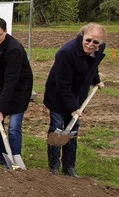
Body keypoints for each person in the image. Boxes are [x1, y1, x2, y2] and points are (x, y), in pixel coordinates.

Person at [44, 23, 106, 178]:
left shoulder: (97, 50)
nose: (91, 44)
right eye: (88, 40)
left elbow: (93, 66)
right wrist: (73, 108)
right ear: (82, 36)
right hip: (58, 96)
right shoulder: (65, 53)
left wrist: (96, 80)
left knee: (72, 131)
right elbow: (63, 85)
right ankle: (54, 166)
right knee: (57, 130)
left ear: (101, 43)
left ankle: (69, 166)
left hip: (78, 96)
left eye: (96, 42)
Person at [0, 17, 33, 167]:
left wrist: (1, 109)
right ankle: (2, 156)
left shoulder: (14, 49)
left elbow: (12, 81)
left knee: (14, 127)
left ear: (6, 32)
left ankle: (15, 158)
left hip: (19, 89)